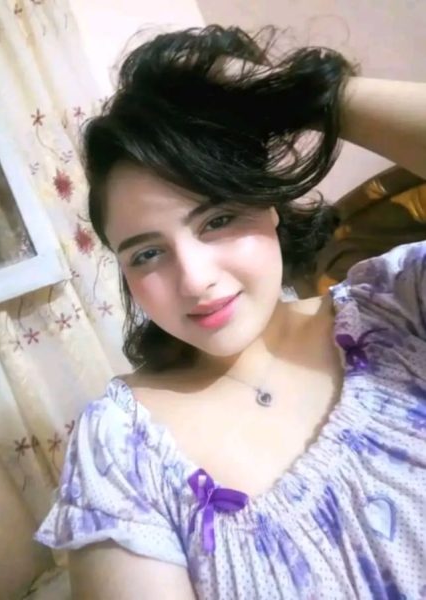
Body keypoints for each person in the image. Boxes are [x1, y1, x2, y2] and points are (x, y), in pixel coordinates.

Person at [34, 25, 426, 599]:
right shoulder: (122, 449)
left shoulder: (400, 306)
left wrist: (292, 90)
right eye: (147, 254)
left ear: (270, 205)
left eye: (217, 220)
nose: (195, 280)